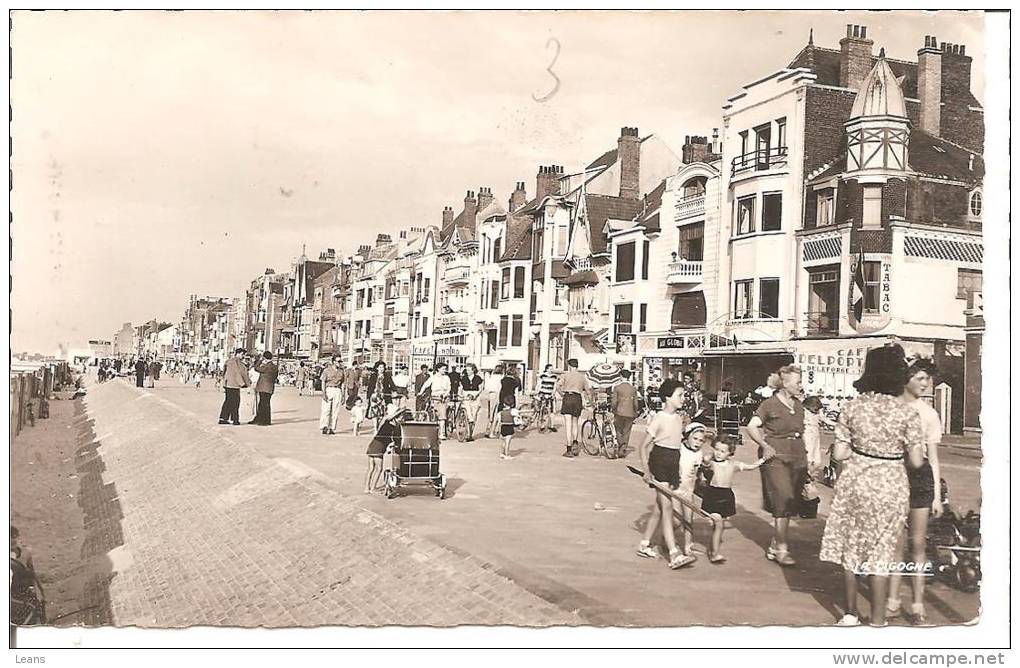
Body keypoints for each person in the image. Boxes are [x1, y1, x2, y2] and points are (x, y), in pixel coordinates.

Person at [820, 344, 925, 627]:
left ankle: (851, 613)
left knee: (851, 545)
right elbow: (916, 461)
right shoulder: (908, 413)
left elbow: (840, 454)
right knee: (881, 550)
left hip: (855, 481)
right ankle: (878, 621)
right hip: (891, 484)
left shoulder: (852, 408)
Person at [887, 357, 944, 625]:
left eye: (927, 379)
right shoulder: (891, 407)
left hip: (921, 479)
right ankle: (892, 601)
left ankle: (918, 605)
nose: (925, 383)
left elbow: (932, 456)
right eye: (920, 378)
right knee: (896, 544)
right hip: (895, 475)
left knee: (918, 544)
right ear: (906, 378)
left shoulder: (930, 414)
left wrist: (935, 495)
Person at [744, 365, 807, 567]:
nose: (800, 385)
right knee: (783, 497)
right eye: (797, 382)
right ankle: (782, 548)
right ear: (785, 384)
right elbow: (751, 426)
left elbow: (804, 432)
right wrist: (764, 445)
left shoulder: (799, 405)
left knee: (790, 503)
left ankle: (775, 544)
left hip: (797, 457)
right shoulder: (769, 404)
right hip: (775, 457)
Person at [635, 379, 697, 570]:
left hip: (673, 462)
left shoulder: (678, 418)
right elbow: (643, 447)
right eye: (680, 395)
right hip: (660, 461)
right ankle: (674, 553)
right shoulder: (659, 418)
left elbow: (679, 444)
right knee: (668, 508)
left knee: (659, 509)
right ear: (667, 398)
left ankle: (645, 544)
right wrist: (647, 470)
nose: (683, 398)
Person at [700, 436, 766, 564]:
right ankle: (715, 554)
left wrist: (763, 459)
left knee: (719, 526)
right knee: (718, 524)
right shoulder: (712, 463)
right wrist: (707, 458)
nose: (718, 453)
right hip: (712, 495)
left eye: (723, 451)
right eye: (717, 449)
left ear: (730, 452)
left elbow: (751, 466)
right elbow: (706, 462)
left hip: (726, 496)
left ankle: (712, 549)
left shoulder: (733, 464)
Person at [365, 406, 409, 494]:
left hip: (372, 444)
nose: (401, 419)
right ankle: (373, 488)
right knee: (379, 469)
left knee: (371, 469)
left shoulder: (386, 423)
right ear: (396, 418)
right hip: (379, 447)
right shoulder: (395, 428)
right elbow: (397, 441)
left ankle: (367, 487)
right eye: (400, 417)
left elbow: (387, 418)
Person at [10, 526, 45, 624]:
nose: (13, 539)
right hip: (16, 599)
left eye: (14, 536)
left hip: (28, 595)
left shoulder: (25, 553)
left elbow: (33, 574)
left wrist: (41, 593)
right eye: (10, 537)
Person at [557, 359, 591, 457]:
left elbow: (558, 386)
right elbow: (588, 391)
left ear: (570, 366)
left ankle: (569, 448)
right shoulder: (582, 377)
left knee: (568, 424)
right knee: (575, 422)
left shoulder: (565, 375)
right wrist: (590, 402)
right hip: (577, 398)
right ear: (577, 366)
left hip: (568, 397)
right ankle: (575, 442)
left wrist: (562, 394)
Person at [802, 395, 836, 474]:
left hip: (815, 433)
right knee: (809, 457)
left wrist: (837, 424)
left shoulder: (818, 412)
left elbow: (825, 419)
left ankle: (806, 475)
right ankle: (805, 477)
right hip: (807, 432)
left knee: (817, 461)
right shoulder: (804, 411)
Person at [611, 369, 640, 455]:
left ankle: (621, 445)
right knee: (627, 431)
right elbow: (635, 403)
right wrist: (635, 412)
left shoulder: (617, 388)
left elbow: (614, 402)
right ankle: (624, 446)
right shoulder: (633, 389)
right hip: (630, 413)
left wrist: (613, 410)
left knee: (618, 429)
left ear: (621, 376)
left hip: (619, 412)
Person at [218, 348, 249, 425]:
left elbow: (225, 372)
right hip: (233, 385)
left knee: (228, 401)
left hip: (229, 384)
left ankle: (223, 418)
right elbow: (237, 373)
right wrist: (242, 383)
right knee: (235, 402)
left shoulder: (230, 361)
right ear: (238, 353)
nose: (243, 356)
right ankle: (235, 419)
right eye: (242, 354)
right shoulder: (235, 362)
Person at [420, 363, 452, 439]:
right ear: (438, 369)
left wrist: (446, 394)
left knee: (444, 413)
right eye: (443, 369)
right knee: (441, 414)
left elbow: (449, 388)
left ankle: (443, 431)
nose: (445, 370)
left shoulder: (446, 378)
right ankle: (441, 432)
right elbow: (426, 385)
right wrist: (421, 392)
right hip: (436, 397)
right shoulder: (433, 377)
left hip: (444, 397)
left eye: (445, 369)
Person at [248, 351, 279, 426]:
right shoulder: (275, 367)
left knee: (262, 404)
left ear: (265, 358)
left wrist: (260, 360)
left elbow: (256, 368)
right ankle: (265, 420)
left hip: (263, 387)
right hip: (270, 387)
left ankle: (262, 420)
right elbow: (275, 376)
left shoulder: (266, 366)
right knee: (266, 404)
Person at [319, 355, 346, 435]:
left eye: (341, 361)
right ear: (334, 362)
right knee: (326, 409)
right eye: (338, 361)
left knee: (335, 410)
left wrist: (343, 395)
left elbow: (343, 384)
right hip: (329, 389)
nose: (340, 363)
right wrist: (323, 393)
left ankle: (332, 427)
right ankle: (324, 426)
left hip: (337, 390)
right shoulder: (327, 370)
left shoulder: (341, 371)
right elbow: (323, 381)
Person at [459, 364, 484, 441]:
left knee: (474, 414)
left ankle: (471, 434)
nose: (468, 371)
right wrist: (460, 394)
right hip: (466, 395)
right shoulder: (463, 378)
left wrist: (475, 395)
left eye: (469, 370)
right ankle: (468, 433)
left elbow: (480, 388)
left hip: (475, 395)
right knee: (469, 413)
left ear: (473, 370)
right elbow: (461, 388)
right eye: (467, 370)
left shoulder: (478, 378)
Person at [484, 365, 505, 438]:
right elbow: (500, 388)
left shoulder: (491, 377)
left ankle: (487, 429)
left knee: (490, 413)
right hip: (497, 394)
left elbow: (487, 387)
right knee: (496, 413)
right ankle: (492, 432)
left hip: (490, 394)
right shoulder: (501, 378)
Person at [536, 364, 558, 432]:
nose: (551, 370)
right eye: (550, 368)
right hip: (543, 393)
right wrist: (537, 392)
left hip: (550, 394)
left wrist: (553, 393)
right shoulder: (543, 376)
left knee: (552, 410)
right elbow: (539, 384)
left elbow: (555, 386)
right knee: (542, 410)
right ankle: (542, 425)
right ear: (547, 369)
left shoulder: (554, 377)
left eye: (552, 368)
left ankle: (552, 425)